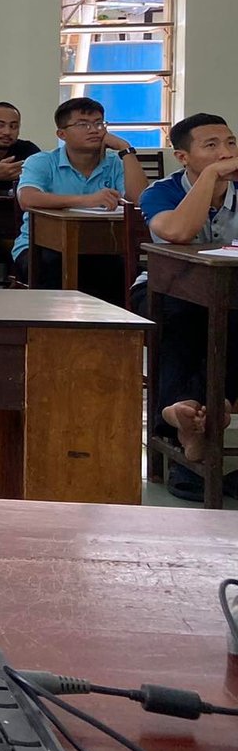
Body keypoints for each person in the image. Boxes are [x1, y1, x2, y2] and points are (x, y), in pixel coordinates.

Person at [129, 113, 238, 501]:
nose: (225, 153)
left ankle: (190, 412)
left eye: (231, 143)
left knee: (228, 317)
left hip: (230, 294)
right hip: (165, 290)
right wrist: (210, 178)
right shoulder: (160, 192)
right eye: (211, 146)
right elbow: (177, 232)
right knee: (186, 319)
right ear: (182, 156)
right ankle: (199, 416)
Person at [11, 97, 148, 298]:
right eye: (83, 124)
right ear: (62, 134)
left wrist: (126, 150)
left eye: (99, 123)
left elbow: (141, 200)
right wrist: (88, 200)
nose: (94, 130)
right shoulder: (42, 162)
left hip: (103, 248)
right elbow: (27, 198)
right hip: (38, 248)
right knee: (56, 269)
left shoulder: (114, 163)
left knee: (132, 276)